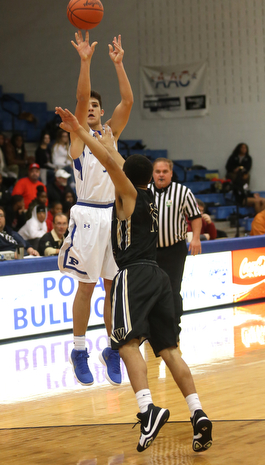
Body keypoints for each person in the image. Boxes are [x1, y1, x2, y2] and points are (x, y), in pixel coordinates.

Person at [55, 108, 213, 454]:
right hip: (159, 276)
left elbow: (113, 166)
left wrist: (83, 131)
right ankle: (198, 413)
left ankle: (148, 410)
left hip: (135, 274)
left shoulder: (129, 194)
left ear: (128, 175)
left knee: (125, 344)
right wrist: (111, 144)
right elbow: (120, 164)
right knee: (170, 351)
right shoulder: (154, 196)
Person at [57, 31, 133, 387]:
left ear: (102, 113)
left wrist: (118, 65)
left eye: (94, 107)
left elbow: (128, 102)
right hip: (88, 215)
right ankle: (79, 348)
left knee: (112, 288)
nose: (89, 108)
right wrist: (85, 61)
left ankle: (113, 348)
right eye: (85, 107)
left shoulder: (109, 135)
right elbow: (80, 95)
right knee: (86, 288)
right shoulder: (77, 137)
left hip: (112, 217)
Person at [148, 158, 202, 337]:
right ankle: (152, 329)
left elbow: (195, 216)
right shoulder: (144, 192)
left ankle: (173, 328)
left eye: (164, 171)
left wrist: (195, 238)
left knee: (172, 289)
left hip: (174, 249)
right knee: (151, 291)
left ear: (171, 173)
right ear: (152, 174)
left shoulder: (183, 192)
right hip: (150, 251)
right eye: (157, 171)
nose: (161, 175)